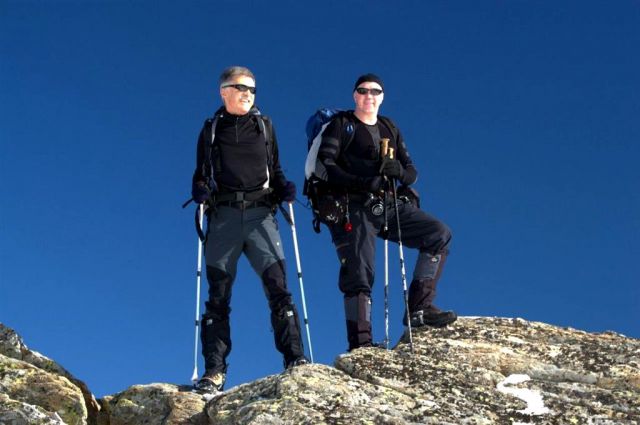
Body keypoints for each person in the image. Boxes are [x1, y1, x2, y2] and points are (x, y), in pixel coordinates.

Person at [317, 73, 457, 351]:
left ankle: (420, 309)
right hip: (351, 206)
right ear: (355, 95)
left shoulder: (389, 127)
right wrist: (362, 181)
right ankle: (361, 344)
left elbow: (412, 172)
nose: (369, 96)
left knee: (438, 234)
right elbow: (326, 166)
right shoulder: (341, 125)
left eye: (375, 91)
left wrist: (399, 173)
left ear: (382, 97)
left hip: (387, 203)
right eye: (363, 91)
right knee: (359, 271)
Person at [190, 66, 307, 392]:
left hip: (260, 216)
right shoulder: (211, 130)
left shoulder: (265, 126)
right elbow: (200, 173)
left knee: (279, 289)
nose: (247, 94)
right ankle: (214, 372)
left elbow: (276, 168)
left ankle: (295, 359)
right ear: (223, 90)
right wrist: (200, 189)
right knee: (217, 298)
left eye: (252, 89)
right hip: (224, 217)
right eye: (241, 87)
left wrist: (285, 187)